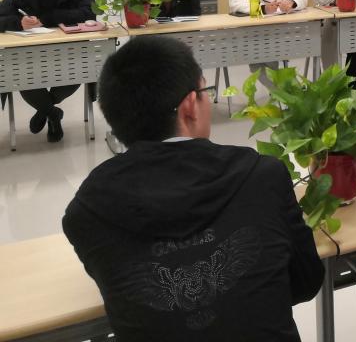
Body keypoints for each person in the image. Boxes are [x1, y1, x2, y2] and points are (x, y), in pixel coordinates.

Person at [62, 36, 323, 342]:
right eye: (205, 92)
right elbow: (305, 282)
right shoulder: (262, 176)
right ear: (189, 107)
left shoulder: (87, 213)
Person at [0, 0, 96, 142]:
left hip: (69, 50)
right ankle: (53, 114)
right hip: (30, 53)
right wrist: (19, 22)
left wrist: (48, 18)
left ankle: (45, 110)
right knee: (22, 75)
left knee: (79, 70)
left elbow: (90, 13)